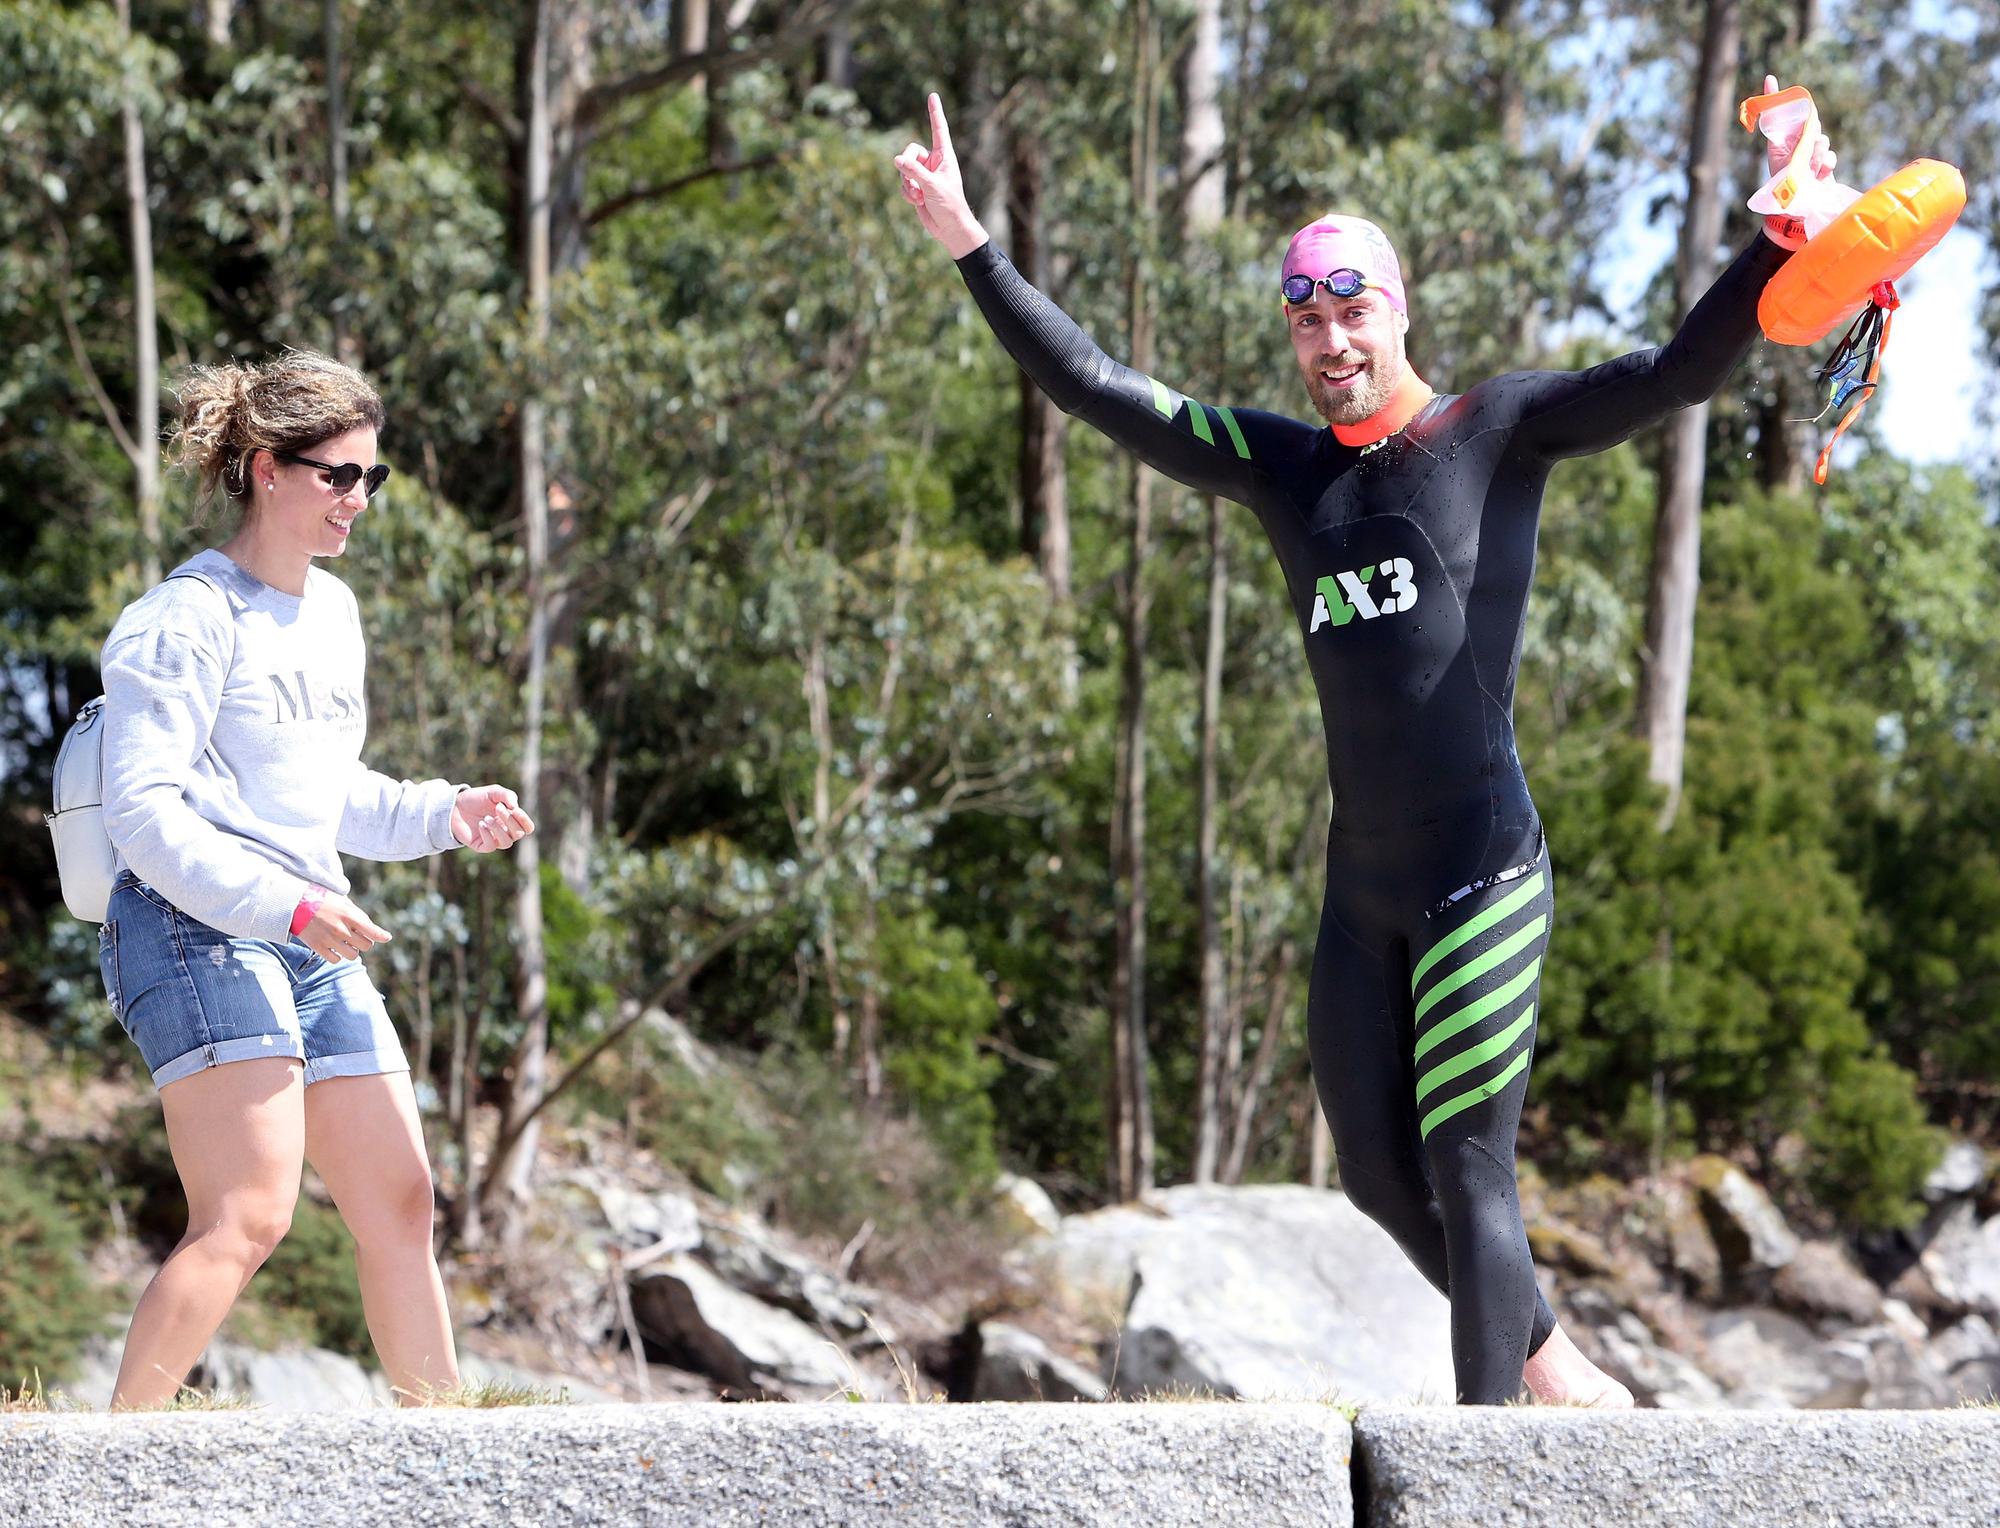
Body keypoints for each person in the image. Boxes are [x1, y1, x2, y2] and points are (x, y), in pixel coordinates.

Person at [894, 79, 1834, 1405]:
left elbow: (1675, 372)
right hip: (1362, 889)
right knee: (1382, 1183)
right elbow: (1096, 385)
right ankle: (1575, 1384)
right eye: (1310, 316)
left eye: (1355, 309)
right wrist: (972, 250)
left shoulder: (1493, 433)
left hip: (1483, 866)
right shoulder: (1288, 471)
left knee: (1467, 1163)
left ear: (1397, 309)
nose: (1334, 337)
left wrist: (1781, 241)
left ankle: (1486, 1468)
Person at [95, 350, 535, 1408]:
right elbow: (141, 815)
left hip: (302, 928)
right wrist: (283, 902)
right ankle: (97, 1476)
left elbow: (323, 796)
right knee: (249, 1213)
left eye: (369, 478)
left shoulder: (330, 613)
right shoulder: (185, 618)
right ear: (265, 468)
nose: (357, 499)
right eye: (337, 474)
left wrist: (443, 813)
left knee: (399, 1196)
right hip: (191, 923)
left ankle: (449, 1452)